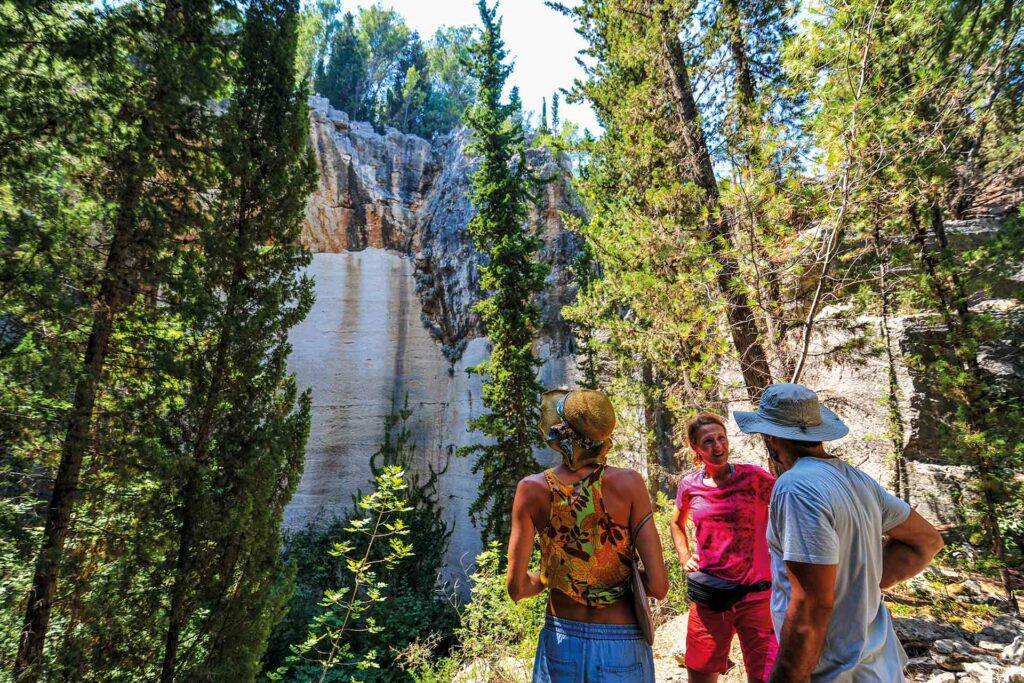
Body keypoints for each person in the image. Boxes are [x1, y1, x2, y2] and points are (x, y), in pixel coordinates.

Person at [734, 383, 945, 683]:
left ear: (770, 436)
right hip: (879, 669)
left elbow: (811, 605)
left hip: (832, 673)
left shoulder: (796, 487)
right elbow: (927, 540)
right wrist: (863, 584)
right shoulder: (860, 482)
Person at [506, 388, 669, 683]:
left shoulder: (531, 490)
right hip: (622, 644)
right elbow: (658, 586)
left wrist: (553, 575)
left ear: (561, 432)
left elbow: (516, 588)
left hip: (561, 641)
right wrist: (612, 570)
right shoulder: (630, 484)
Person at [672, 412, 778, 683]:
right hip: (711, 596)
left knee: (766, 676)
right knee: (701, 674)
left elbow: (788, 504)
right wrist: (685, 556)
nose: (718, 447)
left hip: (757, 597)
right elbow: (676, 523)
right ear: (696, 448)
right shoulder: (690, 486)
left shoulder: (754, 478)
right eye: (708, 442)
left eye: (721, 438)